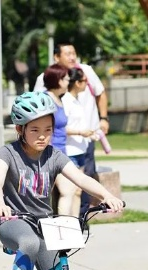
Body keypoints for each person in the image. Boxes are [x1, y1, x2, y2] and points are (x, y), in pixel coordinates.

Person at [0, 91, 124, 270]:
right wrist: (0, 205)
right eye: (35, 130)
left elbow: (81, 179)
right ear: (20, 129)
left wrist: (106, 195)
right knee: (29, 243)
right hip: (14, 221)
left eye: (48, 130)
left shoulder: (54, 155)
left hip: (44, 223)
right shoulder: (7, 153)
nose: (42, 136)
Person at [34, 43, 110, 218]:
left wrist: (103, 119)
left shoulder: (85, 72)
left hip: (76, 147)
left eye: (74, 53)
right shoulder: (50, 96)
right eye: (67, 53)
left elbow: (101, 93)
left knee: (76, 189)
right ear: (56, 57)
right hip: (55, 151)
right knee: (61, 192)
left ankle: (74, 225)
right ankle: (59, 228)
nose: (72, 57)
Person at [42, 63, 75, 216]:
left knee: (67, 191)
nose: (69, 82)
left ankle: (63, 226)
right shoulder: (46, 99)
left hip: (61, 153)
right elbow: (44, 129)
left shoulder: (58, 99)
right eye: (67, 79)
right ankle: (62, 228)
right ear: (58, 80)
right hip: (50, 155)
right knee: (66, 191)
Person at [61, 67, 94, 217]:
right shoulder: (66, 101)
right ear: (76, 83)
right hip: (70, 150)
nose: (87, 84)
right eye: (84, 81)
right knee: (70, 191)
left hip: (80, 149)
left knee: (78, 190)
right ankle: (66, 224)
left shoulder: (77, 100)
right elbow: (61, 127)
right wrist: (80, 132)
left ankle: (75, 224)